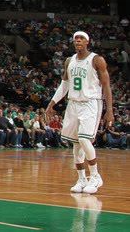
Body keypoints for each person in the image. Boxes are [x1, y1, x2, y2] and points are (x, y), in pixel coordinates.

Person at [46, 31, 114, 194]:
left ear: (87, 42)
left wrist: (109, 110)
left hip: (91, 103)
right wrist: (52, 103)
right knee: (76, 144)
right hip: (73, 104)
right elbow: (64, 85)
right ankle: (81, 179)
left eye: (81, 38)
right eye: (76, 39)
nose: (78, 41)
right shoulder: (69, 61)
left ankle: (95, 177)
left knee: (84, 139)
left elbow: (106, 86)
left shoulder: (97, 60)